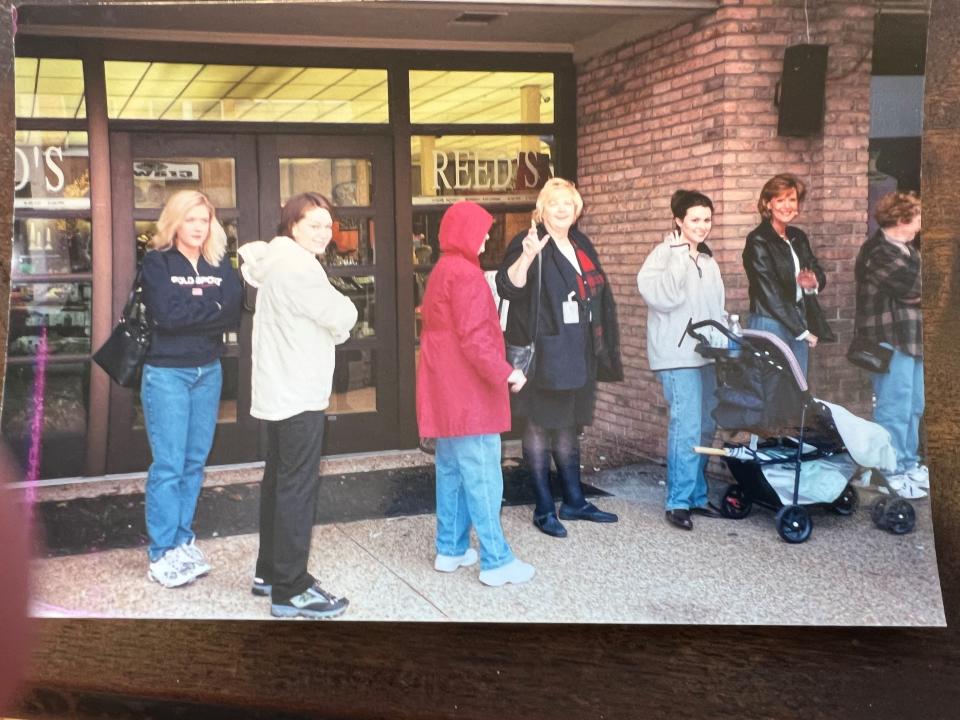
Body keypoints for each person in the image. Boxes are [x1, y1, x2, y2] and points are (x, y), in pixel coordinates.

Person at [239, 192, 357, 619]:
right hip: (298, 390)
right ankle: (290, 589)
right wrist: (343, 314)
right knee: (296, 487)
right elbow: (342, 315)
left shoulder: (276, 261)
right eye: (314, 226)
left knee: (279, 481)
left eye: (328, 226)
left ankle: (269, 572)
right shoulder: (299, 268)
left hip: (278, 389)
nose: (324, 234)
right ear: (292, 227)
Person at [417, 201, 535, 587]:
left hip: (447, 390)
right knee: (483, 474)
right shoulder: (466, 275)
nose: (487, 236)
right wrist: (507, 372)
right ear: (468, 233)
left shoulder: (442, 270)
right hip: (471, 393)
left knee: (451, 471)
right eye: (482, 230)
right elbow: (476, 339)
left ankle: (449, 549)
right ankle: (497, 561)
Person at [496, 178, 623, 538]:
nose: (563, 209)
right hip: (546, 351)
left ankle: (575, 501)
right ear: (542, 209)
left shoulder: (580, 242)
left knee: (568, 426)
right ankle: (542, 508)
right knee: (538, 426)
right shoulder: (531, 241)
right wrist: (527, 255)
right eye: (555, 203)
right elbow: (508, 285)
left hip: (579, 351)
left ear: (577, 208)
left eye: (569, 202)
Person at [140, 190, 242, 587]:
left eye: (204, 219)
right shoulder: (157, 262)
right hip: (167, 374)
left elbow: (233, 309)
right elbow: (167, 315)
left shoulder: (219, 262)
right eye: (190, 219)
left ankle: (183, 540)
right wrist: (211, 309)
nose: (198, 226)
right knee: (168, 464)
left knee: (194, 462)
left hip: (208, 371)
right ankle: (162, 551)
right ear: (175, 222)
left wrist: (202, 311)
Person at [637, 190, 727, 531]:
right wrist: (677, 255)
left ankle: (697, 496)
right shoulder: (661, 256)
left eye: (707, 219)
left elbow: (716, 308)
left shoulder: (708, 260)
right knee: (686, 426)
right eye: (694, 220)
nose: (702, 226)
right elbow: (667, 298)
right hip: (677, 356)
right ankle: (678, 501)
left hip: (707, 354)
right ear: (678, 220)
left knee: (705, 425)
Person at [854, 191, 926, 499]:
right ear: (902, 219)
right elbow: (915, 287)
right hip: (889, 339)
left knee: (914, 406)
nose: (923, 224)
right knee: (894, 407)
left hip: (912, 340)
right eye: (920, 217)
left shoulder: (909, 251)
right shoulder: (878, 251)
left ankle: (908, 462)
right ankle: (888, 469)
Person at [743, 173, 832, 378]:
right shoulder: (758, 240)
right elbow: (769, 292)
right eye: (780, 200)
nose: (786, 206)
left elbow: (816, 270)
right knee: (775, 390)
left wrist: (813, 282)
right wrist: (801, 331)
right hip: (770, 321)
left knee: (796, 388)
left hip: (797, 318)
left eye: (791, 199)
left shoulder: (798, 236)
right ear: (768, 204)